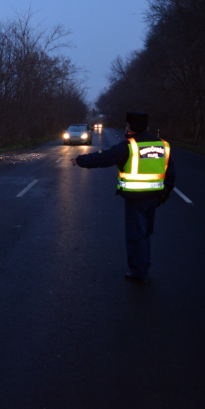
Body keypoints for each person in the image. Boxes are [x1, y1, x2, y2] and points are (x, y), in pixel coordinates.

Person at [70, 112, 175, 283]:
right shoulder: (163, 145)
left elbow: (104, 157)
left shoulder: (130, 146)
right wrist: (165, 193)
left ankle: (139, 272)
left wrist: (81, 160)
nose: (126, 128)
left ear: (131, 127)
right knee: (146, 233)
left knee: (136, 235)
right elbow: (170, 173)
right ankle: (144, 266)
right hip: (154, 197)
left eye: (127, 126)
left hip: (136, 198)